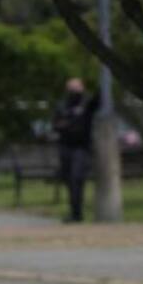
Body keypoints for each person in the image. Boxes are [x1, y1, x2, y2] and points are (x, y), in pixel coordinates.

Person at [51, 78, 99, 223]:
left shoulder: (87, 104)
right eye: (71, 89)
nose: (74, 92)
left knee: (76, 178)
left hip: (82, 148)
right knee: (68, 180)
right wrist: (68, 123)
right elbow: (55, 124)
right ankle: (74, 212)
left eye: (77, 88)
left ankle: (77, 213)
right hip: (65, 147)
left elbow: (98, 100)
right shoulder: (62, 105)